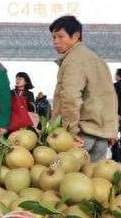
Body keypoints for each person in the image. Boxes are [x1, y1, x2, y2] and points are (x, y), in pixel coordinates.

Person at [49, 15, 117, 162]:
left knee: (66, 180)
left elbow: (70, 97)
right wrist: (111, 130)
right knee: (95, 181)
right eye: (53, 37)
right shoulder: (97, 60)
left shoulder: (73, 60)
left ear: (76, 36)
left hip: (80, 135)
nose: (55, 41)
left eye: (60, 36)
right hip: (100, 137)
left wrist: (69, 133)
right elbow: (109, 98)